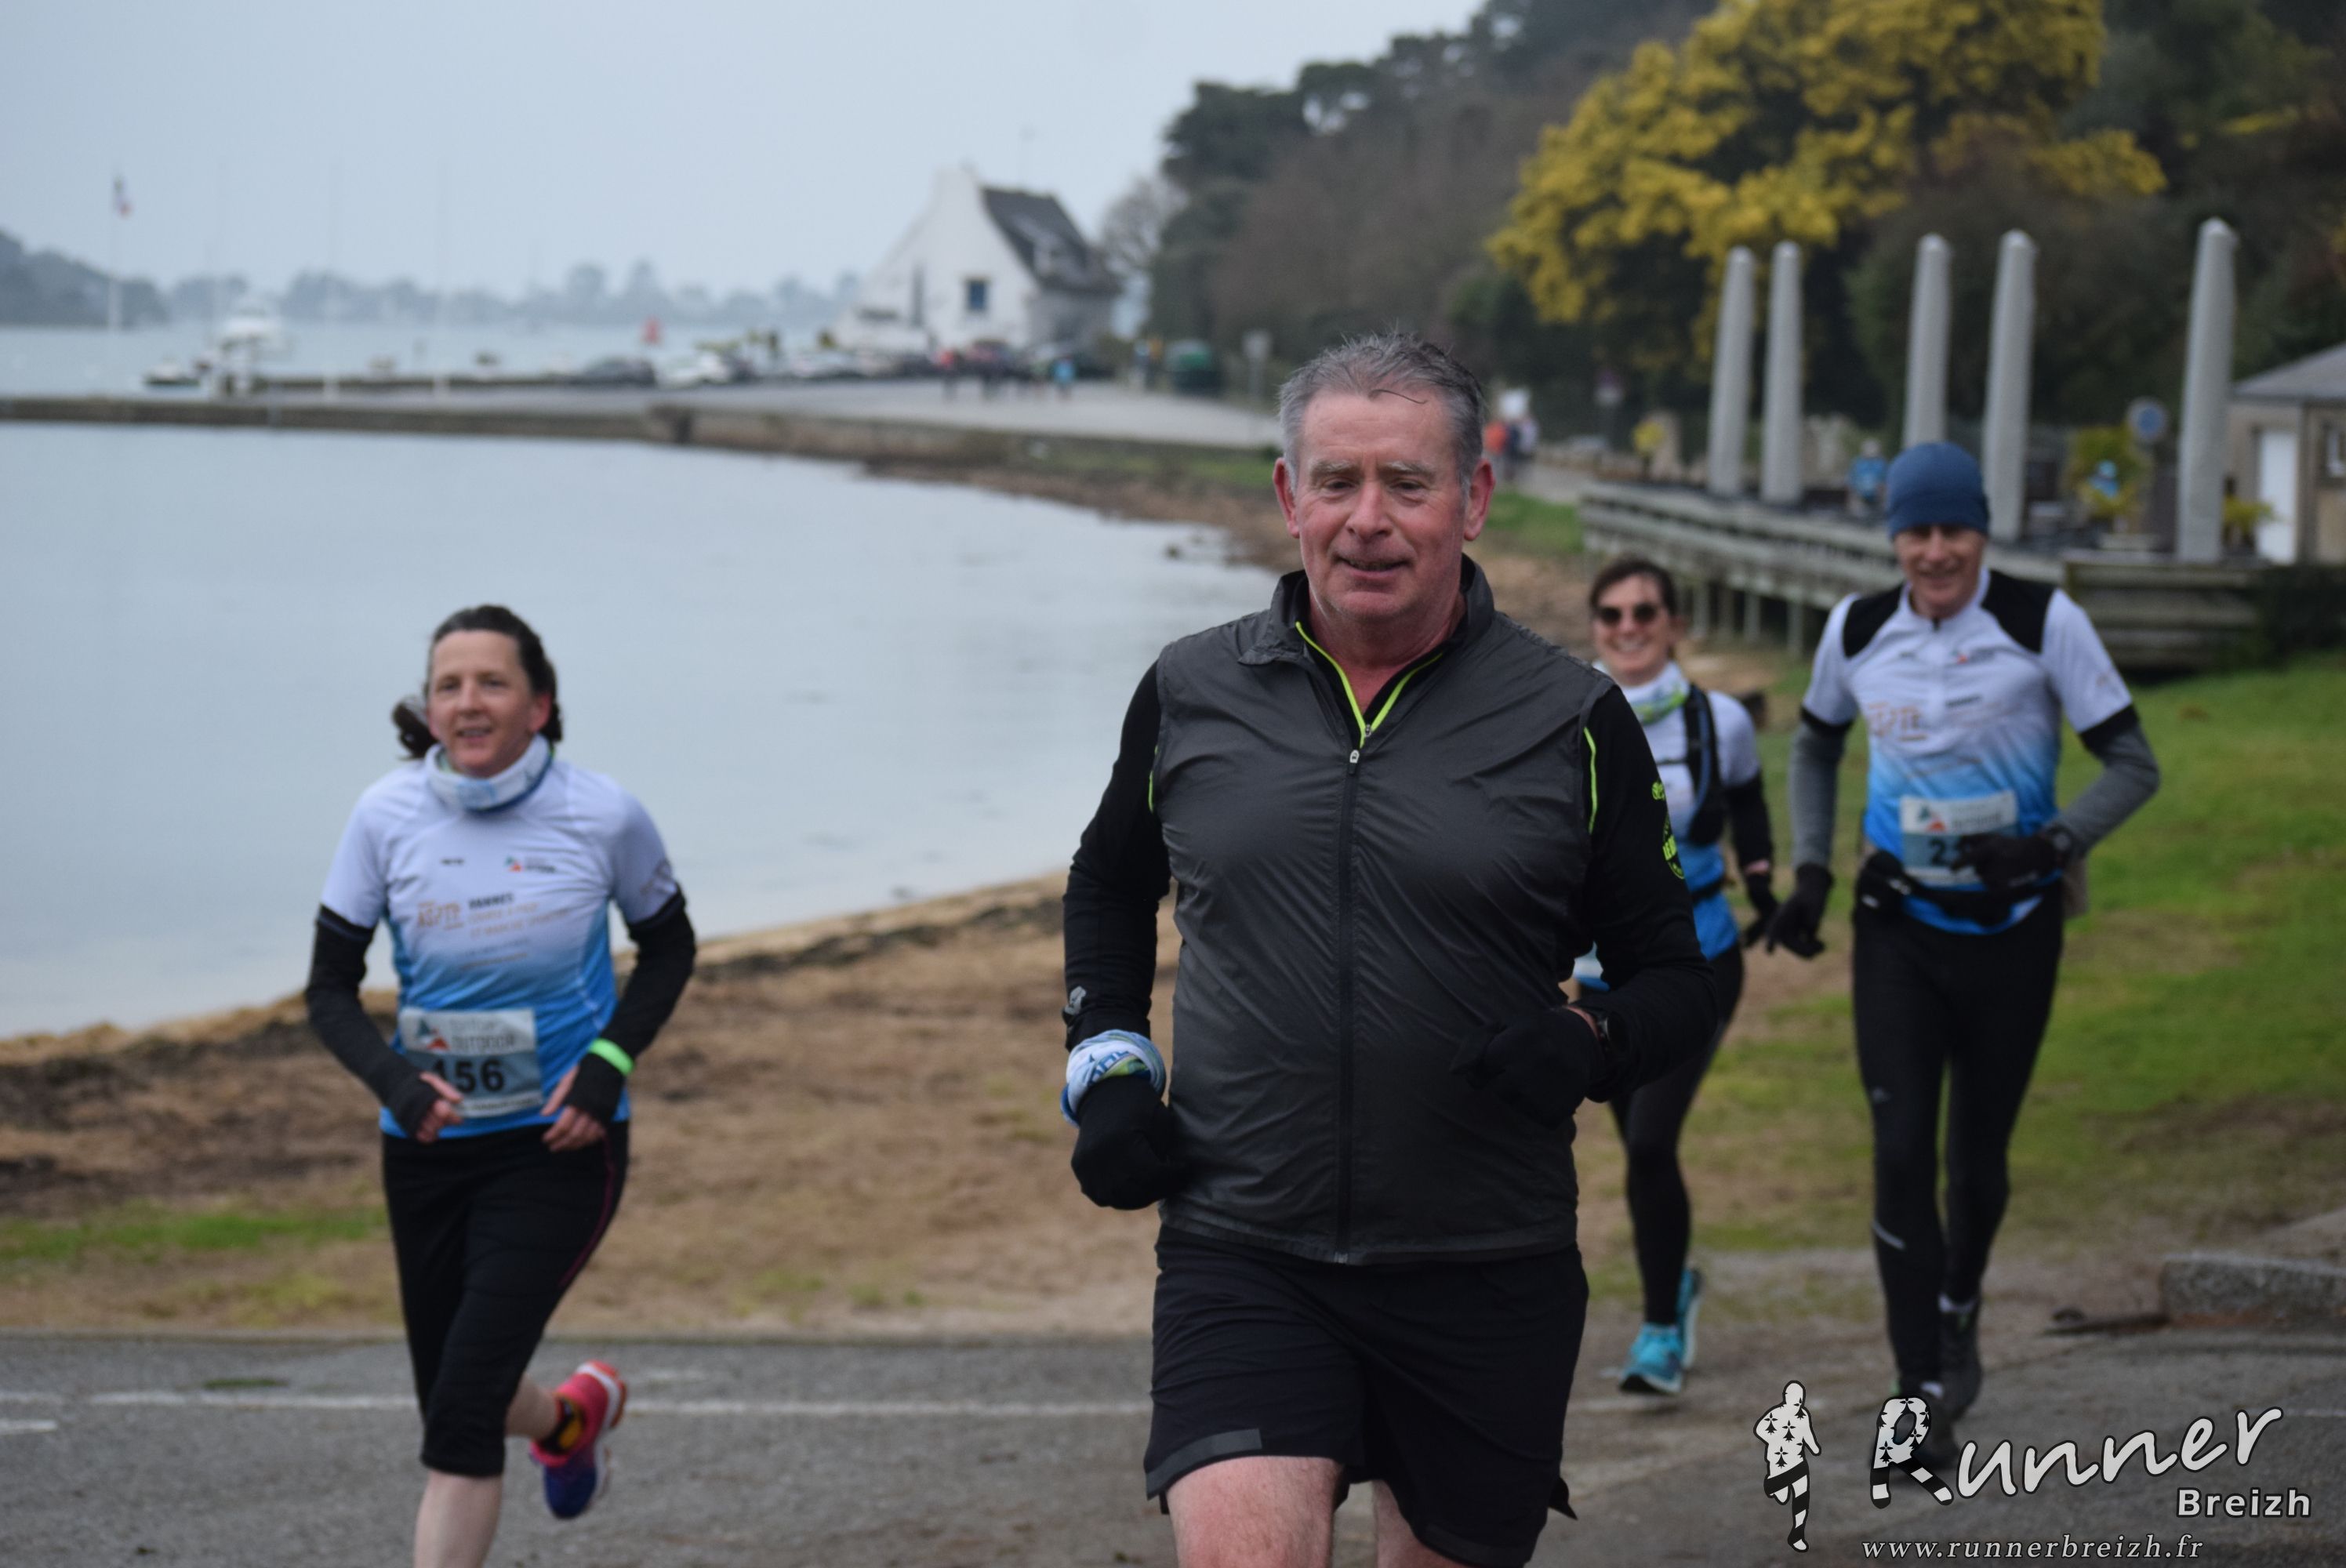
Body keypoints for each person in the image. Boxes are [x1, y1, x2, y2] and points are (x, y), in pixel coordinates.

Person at [1061, 333, 1718, 1568]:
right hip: (1244, 1247)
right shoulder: (1191, 690)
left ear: (1474, 498)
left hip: (1486, 1266)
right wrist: (1107, 1065)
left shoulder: (1574, 718)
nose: (1368, 520)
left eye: (1407, 484)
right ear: (1288, 495)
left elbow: (1676, 977)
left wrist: (1590, 1041)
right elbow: (1109, 882)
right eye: (1338, 481)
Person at [1764, 441, 2159, 1470]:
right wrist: (1812, 870)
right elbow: (1814, 743)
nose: (1935, 552)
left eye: (1953, 531)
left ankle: (1960, 1301)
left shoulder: (2043, 620)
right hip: (1898, 931)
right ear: (1894, 537)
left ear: (1982, 532)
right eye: (1916, 533)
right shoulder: (1857, 627)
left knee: (1973, 1162)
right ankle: (1919, 1389)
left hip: (2012, 932)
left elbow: (2133, 763)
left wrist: (2052, 844)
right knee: (1899, 1155)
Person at [304, 605, 696, 1568]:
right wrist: (397, 1082)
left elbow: (669, 946)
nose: (468, 701)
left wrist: (606, 1066)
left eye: (492, 682)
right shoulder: (384, 814)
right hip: (428, 1148)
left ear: (539, 704)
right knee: (455, 1391)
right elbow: (328, 988)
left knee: (462, 1415)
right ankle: (569, 1420)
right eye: (449, 684)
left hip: (559, 1143)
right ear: (428, 707)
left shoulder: (602, 814)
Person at [1578, 556, 1777, 1397]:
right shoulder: (1565, 712)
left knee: (1653, 1142)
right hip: (1601, 972)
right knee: (1639, 1147)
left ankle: (1659, 1331)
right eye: (1612, 614)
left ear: (1674, 624)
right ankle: (1677, 1281)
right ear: (1596, 627)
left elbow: (1749, 802)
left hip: (1699, 957)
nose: (1628, 628)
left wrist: (1764, 883)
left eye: (1645, 612)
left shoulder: (1718, 719)